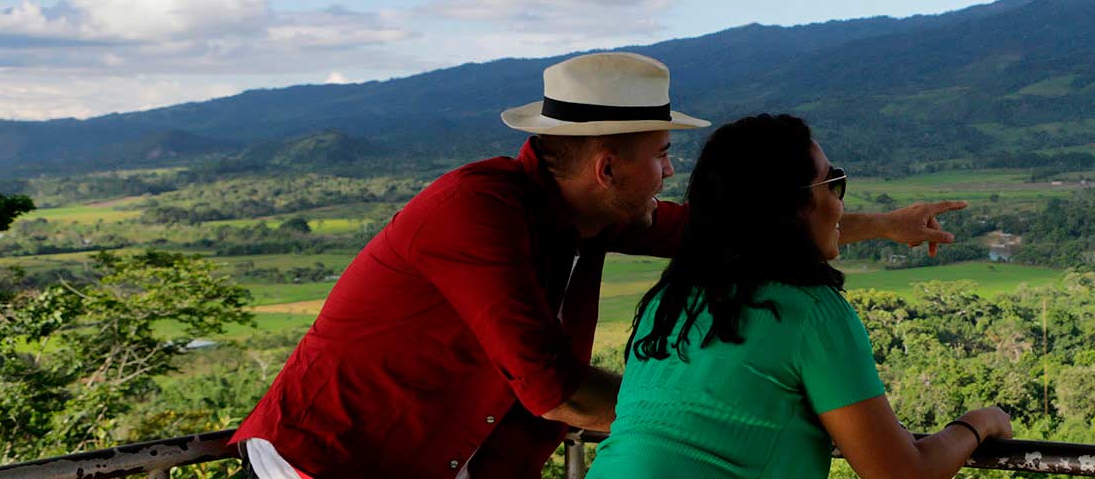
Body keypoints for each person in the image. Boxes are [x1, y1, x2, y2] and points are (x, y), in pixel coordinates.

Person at [229, 53, 969, 478]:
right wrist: (733, 415)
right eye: (661, 156)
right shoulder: (474, 214)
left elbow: (736, 227)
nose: (669, 174)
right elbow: (551, 389)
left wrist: (881, 226)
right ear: (609, 167)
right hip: (333, 459)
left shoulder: (589, 215)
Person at [583, 114, 1012, 479]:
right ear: (790, 210)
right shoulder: (809, 312)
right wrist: (981, 422)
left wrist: (887, 223)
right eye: (832, 185)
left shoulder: (671, 301)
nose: (840, 204)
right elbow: (902, 472)